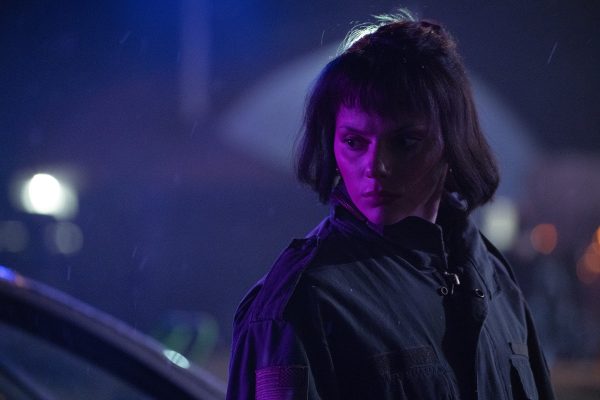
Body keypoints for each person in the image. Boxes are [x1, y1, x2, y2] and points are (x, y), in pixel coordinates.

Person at [227, 11, 555, 400]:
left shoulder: (494, 277)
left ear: (452, 142)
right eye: (354, 142)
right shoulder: (304, 301)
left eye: (405, 141)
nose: (376, 166)